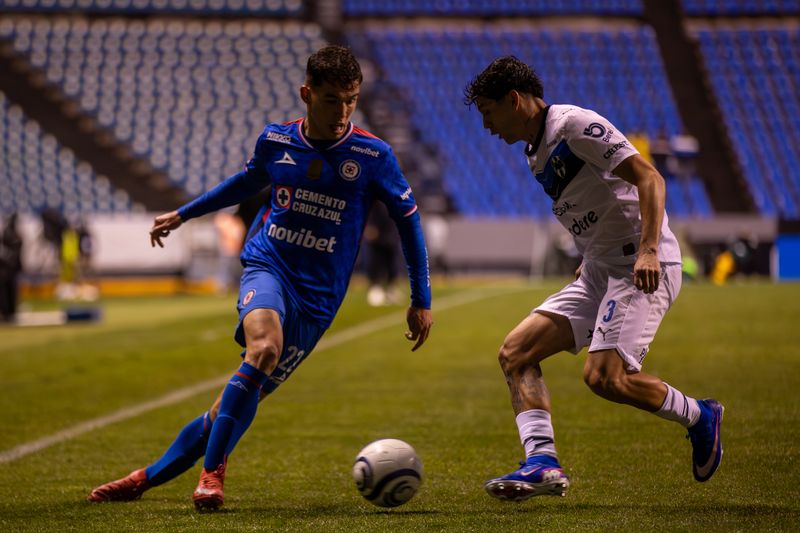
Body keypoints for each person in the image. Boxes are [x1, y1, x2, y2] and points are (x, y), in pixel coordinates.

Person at [88, 45, 433, 510]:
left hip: (318, 300)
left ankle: (143, 480)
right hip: (269, 265)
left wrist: (421, 297)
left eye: (351, 99)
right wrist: (185, 214)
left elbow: (408, 221)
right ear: (306, 94)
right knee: (263, 348)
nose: (342, 111)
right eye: (332, 99)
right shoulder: (276, 141)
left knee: (228, 408)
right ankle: (212, 475)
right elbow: (246, 182)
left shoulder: (373, 155)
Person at [463, 56, 723, 501]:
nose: (487, 126)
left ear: (514, 99)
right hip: (600, 268)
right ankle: (542, 464)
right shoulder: (534, 151)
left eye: (488, 112)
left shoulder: (574, 125)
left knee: (604, 377)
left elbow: (649, 178)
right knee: (515, 353)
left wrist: (646, 250)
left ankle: (700, 415)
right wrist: (589, 254)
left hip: (641, 268)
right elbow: (599, 201)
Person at [0, 212, 23, 322]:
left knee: (10, 291)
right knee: (5, 292)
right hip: (5, 270)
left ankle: (10, 312)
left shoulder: (12, 232)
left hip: (10, 269)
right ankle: (7, 312)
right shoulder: (8, 232)